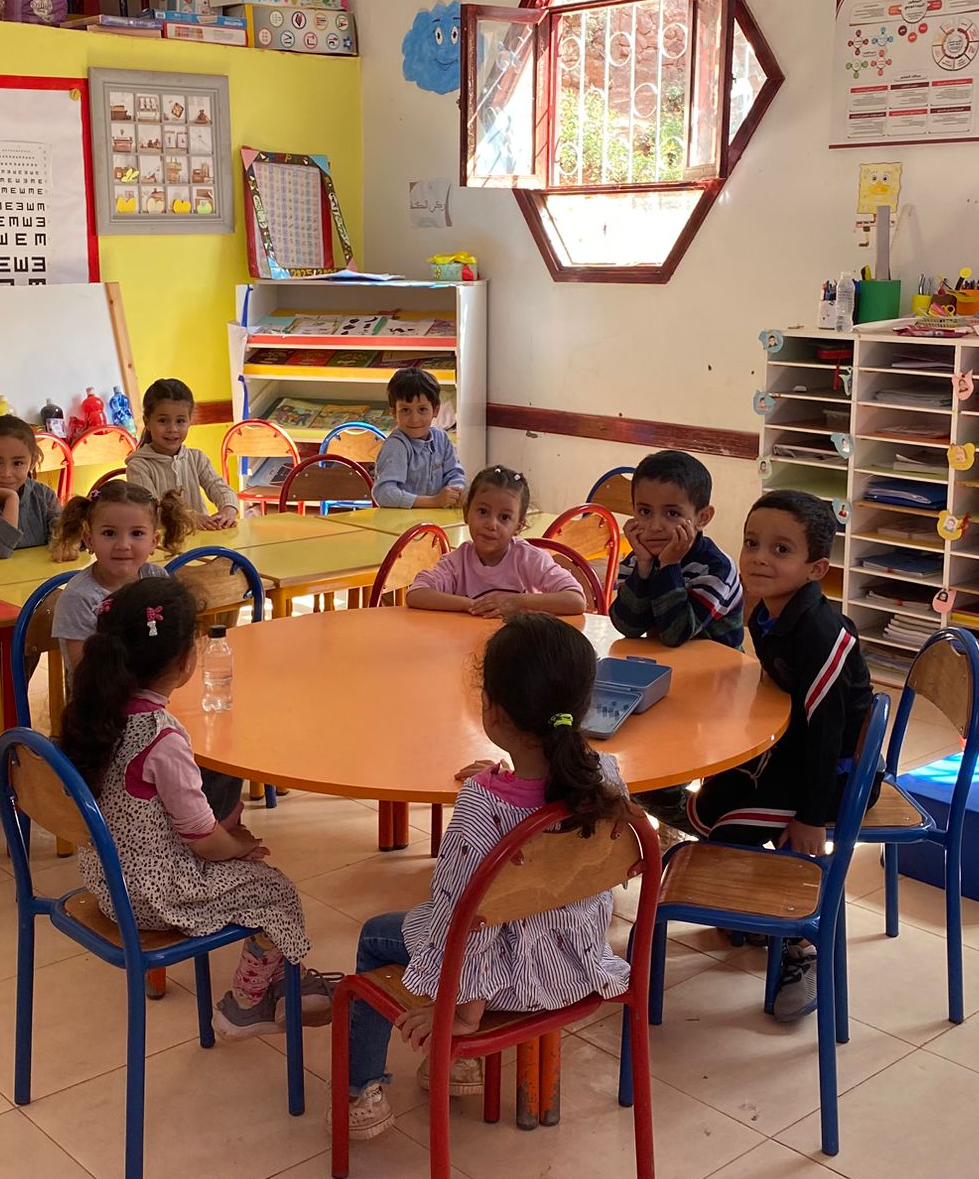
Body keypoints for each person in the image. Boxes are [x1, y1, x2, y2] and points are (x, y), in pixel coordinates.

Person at [341, 614, 632, 1140]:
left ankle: (362, 1092)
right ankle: (455, 1067)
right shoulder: (605, 778)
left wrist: (464, 1015)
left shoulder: (481, 810)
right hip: (578, 968)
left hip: (503, 985)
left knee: (374, 936)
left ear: (492, 712)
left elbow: (461, 922)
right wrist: (505, 780)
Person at [60, 574, 335, 1037]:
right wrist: (238, 847)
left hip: (108, 880)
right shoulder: (162, 736)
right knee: (275, 890)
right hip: (154, 896)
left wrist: (225, 840)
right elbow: (204, 841)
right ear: (187, 660)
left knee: (246, 869)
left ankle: (290, 986)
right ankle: (246, 1004)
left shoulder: (96, 712)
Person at [649, 489, 876, 1021]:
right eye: (752, 543)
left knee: (729, 824)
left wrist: (810, 818)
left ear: (816, 569)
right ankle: (750, 909)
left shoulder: (817, 632)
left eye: (780, 550)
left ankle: (801, 945)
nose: (758, 558)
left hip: (836, 779)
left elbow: (828, 735)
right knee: (714, 800)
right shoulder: (771, 612)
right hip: (795, 752)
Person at [48, 478, 239, 820]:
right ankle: (199, 831)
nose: (123, 545)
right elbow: (85, 676)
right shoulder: (79, 598)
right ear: (89, 539)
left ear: (154, 541)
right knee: (191, 759)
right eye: (109, 533)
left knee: (224, 745)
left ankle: (210, 825)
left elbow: (174, 646)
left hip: (159, 703)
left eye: (136, 534)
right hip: (105, 718)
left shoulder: (157, 579)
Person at [406, 466, 586, 617]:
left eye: (504, 517)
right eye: (483, 512)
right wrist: (472, 605)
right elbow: (416, 593)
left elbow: (576, 600)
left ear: (518, 526)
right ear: (467, 513)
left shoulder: (528, 558)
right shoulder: (458, 561)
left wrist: (518, 602)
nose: (491, 524)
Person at [608, 449, 744, 649]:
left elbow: (675, 634)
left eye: (672, 513)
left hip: (718, 666)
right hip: (663, 661)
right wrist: (643, 569)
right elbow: (627, 626)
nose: (655, 526)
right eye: (645, 511)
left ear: (702, 518)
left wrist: (669, 565)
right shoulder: (638, 559)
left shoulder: (717, 568)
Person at [124, 378, 240, 531]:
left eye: (180, 421)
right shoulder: (138, 466)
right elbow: (149, 510)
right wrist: (189, 517)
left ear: (190, 421)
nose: (172, 429)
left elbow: (220, 488)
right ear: (147, 422)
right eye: (163, 421)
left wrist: (228, 509)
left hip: (201, 538)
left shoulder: (197, 458)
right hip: (160, 541)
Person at [0, 414, 61, 558]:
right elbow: (0, 549)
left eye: (17, 463)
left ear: (32, 462)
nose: (6, 473)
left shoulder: (45, 497)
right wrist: (12, 500)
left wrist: (73, 539)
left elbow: (65, 538)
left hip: (40, 573)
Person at [372, 367, 465, 509]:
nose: (414, 419)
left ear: (435, 410)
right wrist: (434, 502)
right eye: (405, 410)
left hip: (435, 518)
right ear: (394, 412)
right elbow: (384, 493)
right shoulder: (397, 446)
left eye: (422, 409)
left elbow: (454, 473)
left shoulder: (441, 439)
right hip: (401, 521)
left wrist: (456, 492)